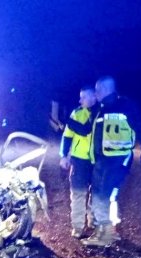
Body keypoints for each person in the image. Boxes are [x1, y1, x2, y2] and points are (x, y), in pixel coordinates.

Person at [65, 76, 141, 246]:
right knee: (104, 194)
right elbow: (85, 130)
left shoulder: (125, 105)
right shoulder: (100, 109)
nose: (95, 94)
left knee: (101, 195)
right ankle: (106, 231)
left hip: (115, 160)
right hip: (103, 161)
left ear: (104, 90)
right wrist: (67, 122)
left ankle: (103, 235)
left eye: (97, 91)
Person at [59, 86, 97, 239]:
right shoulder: (77, 113)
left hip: (97, 161)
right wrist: (64, 156)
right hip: (79, 160)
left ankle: (93, 222)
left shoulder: (101, 113)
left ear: (94, 97)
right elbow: (67, 137)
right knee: (78, 194)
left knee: (97, 194)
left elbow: (85, 130)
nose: (80, 100)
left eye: (84, 97)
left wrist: (66, 120)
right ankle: (78, 227)